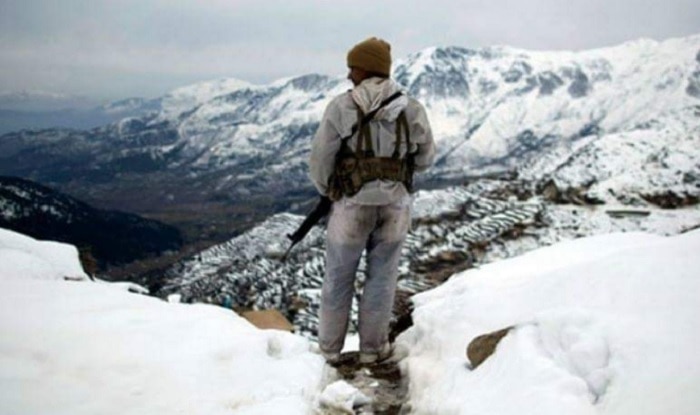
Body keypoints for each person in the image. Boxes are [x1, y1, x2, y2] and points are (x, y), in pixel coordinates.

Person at [309, 37, 436, 364]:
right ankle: (372, 351)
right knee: (382, 279)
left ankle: (329, 352)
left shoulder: (342, 106)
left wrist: (329, 190)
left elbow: (322, 158)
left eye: (353, 66)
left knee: (338, 277)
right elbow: (425, 159)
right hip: (396, 206)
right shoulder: (411, 108)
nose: (349, 73)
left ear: (365, 68)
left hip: (352, 205)